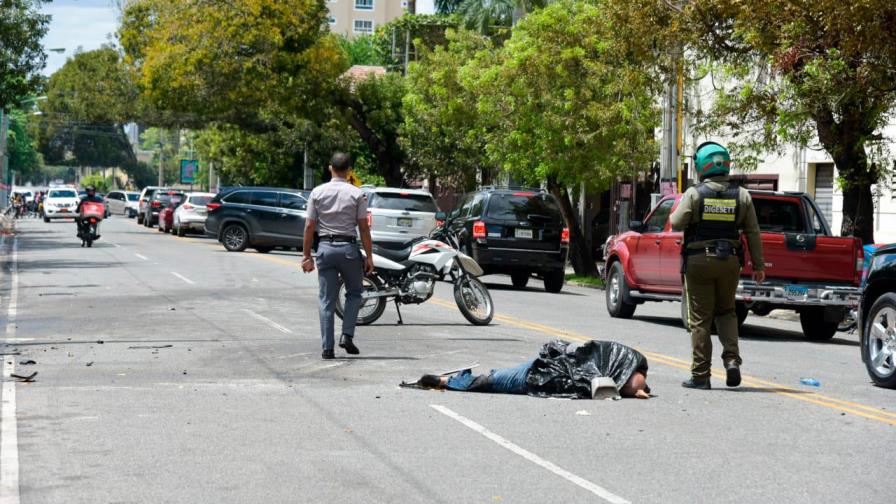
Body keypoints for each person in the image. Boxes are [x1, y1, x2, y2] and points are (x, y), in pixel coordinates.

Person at [670, 141, 765, 390]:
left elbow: (677, 223)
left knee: (700, 319)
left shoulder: (694, 193)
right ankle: (732, 360)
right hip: (730, 262)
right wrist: (759, 265)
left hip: (699, 261)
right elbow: (753, 232)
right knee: (726, 312)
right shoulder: (742, 195)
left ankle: (701, 375)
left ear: (702, 166)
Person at [302, 153, 374, 360]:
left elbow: (309, 226)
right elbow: (363, 228)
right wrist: (369, 256)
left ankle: (327, 348)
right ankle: (347, 335)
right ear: (349, 170)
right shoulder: (357, 194)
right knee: (354, 293)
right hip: (349, 250)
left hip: (325, 248)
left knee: (326, 299)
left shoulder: (317, 192)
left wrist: (307, 256)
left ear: (329, 168)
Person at [410, 340, 652, 399]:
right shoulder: (612, 362)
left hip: (542, 373)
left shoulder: (621, 361)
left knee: (496, 380)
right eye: (632, 389)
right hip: (538, 373)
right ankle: (444, 381)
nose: (630, 391)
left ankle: (449, 380)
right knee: (493, 382)